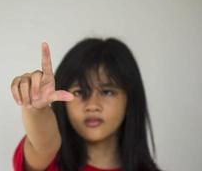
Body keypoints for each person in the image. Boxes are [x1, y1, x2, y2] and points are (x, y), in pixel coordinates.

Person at [10, 37, 162, 171]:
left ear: (130, 99)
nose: (93, 105)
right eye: (80, 92)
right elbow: (44, 145)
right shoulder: (49, 162)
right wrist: (36, 107)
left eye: (107, 92)